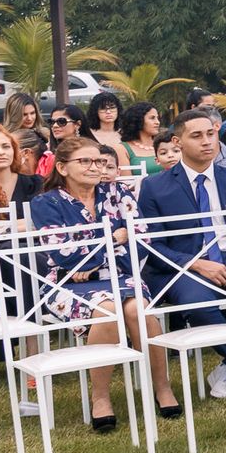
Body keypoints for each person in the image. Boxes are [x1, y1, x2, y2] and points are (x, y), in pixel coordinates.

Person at [30, 137, 180, 426]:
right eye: (84, 161)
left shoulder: (117, 191)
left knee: (139, 310)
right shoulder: (45, 203)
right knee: (108, 310)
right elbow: (65, 256)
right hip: (66, 285)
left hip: (120, 276)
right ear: (62, 167)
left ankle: (162, 387)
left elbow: (141, 238)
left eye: (98, 161)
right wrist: (115, 237)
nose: (94, 167)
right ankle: (101, 396)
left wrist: (97, 249)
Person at [135, 109, 226, 400]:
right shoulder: (154, 186)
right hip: (181, 268)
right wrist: (196, 264)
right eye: (196, 136)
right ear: (178, 142)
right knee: (198, 304)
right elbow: (151, 245)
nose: (207, 142)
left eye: (211, 134)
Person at [0, 123, 43, 211]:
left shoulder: (35, 184)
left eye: (6, 147)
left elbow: (45, 219)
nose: (1, 152)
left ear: (14, 150)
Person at [118, 102, 162, 170]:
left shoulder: (164, 144)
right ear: (138, 120)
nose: (157, 122)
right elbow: (126, 179)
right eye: (152, 118)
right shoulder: (122, 149)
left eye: (157, 118)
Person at [80, 91, 124, 156]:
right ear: (95, 111)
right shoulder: (87, 134)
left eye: (112, 107)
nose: (108, 112)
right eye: (103, 108)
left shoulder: (125, 132)